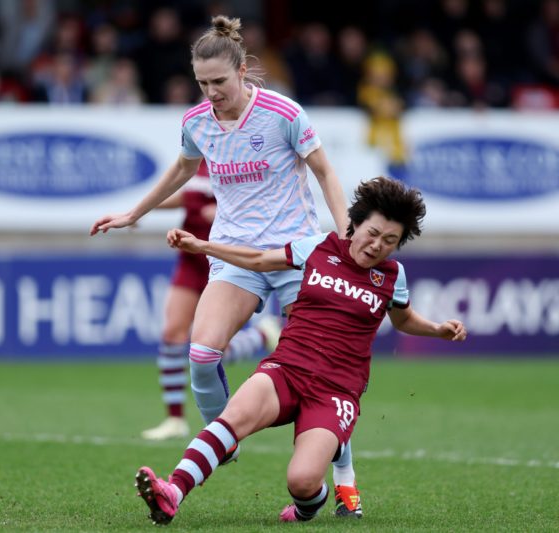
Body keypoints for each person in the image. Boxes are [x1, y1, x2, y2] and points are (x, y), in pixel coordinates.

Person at [89, 15, 359, 515]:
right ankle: (224, 441)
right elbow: (183, 168)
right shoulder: (196, 123)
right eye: (202, 83)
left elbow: (324, 170)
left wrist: (343, 234)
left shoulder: (282, 113)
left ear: (242, 71)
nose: (211, 93)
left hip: (296, 254)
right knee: (202, 355)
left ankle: (345, 482)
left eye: (219, 82)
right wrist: (134, 213)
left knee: (321, 374)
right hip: (234, 254)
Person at [135, 176, 468, 525]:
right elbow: (260, 259)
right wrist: (203, 246)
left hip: (335, 391)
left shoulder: (392, 275)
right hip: (286, 368)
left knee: (303, 481)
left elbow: (403, 320)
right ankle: (172, 491)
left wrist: (437, 330)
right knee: (231, 420)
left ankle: (309, 505)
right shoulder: (319, 247)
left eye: (390, 241)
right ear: (353, 225)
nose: (376, 246)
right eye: (372, 233)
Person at [142, 160, 282, 441]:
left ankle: (257, 337)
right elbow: (188, 197)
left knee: (210, 350)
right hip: (190, 258)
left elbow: (264, 202)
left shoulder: (239, 157)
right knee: (173, 334)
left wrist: (223, 213)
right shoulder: (195, 157)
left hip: (225, 260)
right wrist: (141, 210)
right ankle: (175, 419)